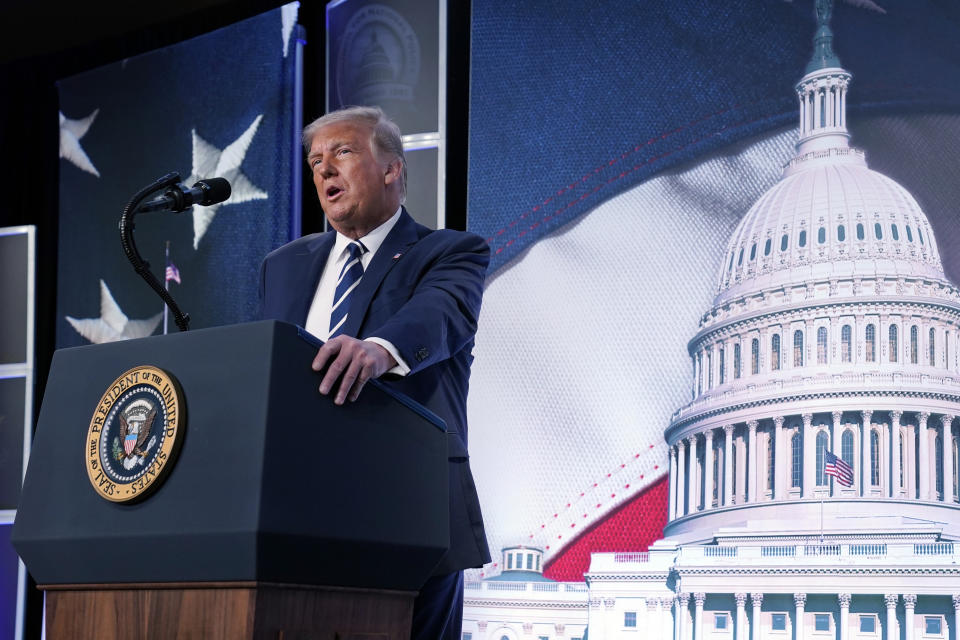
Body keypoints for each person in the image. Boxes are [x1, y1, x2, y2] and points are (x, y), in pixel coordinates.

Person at [259, 105, 491, 639]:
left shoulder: (450, 252)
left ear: (392, 168)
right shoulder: (284, 264)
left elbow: (439, 314)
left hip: (407, 509)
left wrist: (378, 350)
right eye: (315, 161)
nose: (323, 170)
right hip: (293, 511)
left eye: (342, 152)